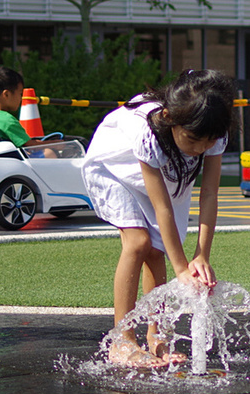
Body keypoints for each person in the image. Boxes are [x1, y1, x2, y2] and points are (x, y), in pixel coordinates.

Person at [82, 69, 235, 367]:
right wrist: (181, 268)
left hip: (166, 172)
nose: (200, 149)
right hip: (114, 166)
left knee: (157, 250)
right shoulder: (148, 129)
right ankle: (122, 341)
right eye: (193, 139)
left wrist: (201, 255)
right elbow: (161, 206)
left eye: (207, 142)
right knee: (138, 242)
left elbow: (210, 194)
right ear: (169, 117)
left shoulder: (212, 130)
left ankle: (157, 336)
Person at [0, 67, 46, 148]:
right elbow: (29, 145)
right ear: (6, 94)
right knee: (49, 153)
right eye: (20, 93)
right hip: (13, 159)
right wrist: (55, 144)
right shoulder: (8, 121)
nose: (21, 98)